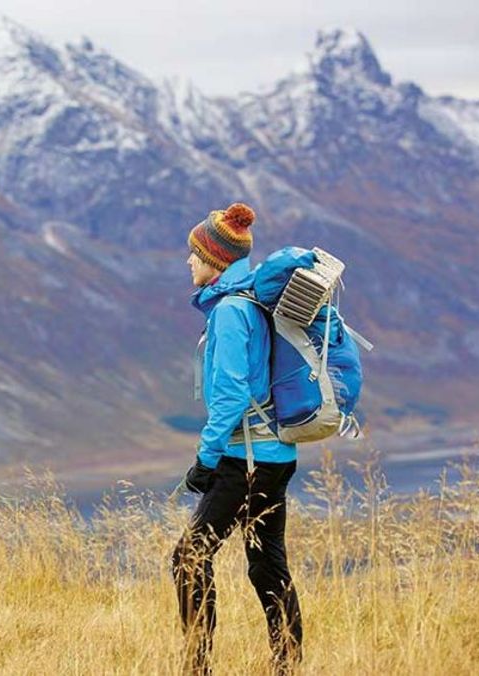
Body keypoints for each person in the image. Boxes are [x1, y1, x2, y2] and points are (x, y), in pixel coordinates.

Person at [171, 202, 303, 674]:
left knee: (189, 558)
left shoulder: (230, 311)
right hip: (273, 453)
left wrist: (205, 460)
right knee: (267, 565)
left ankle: (197, 666)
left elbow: (230, 394)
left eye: (193, 254)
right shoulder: (250, 300)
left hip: (243, 458)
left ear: (215, 260)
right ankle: (287, 664)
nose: (188, 261)